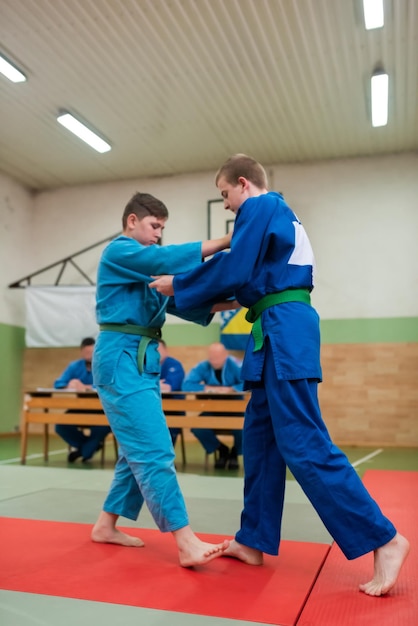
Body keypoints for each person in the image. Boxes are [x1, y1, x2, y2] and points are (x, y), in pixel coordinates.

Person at [149, 154, 409, 594]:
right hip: (270, 331)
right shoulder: (271, 224)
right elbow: (240, 288)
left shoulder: (263, 206)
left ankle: (383, 539)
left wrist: (179, 284)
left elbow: (234, 270)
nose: (227, 205)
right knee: (261, 440)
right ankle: (254, 538)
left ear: (244, 184)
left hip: (286, 329)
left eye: (225, 195)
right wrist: (176, 299)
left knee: (302, 441)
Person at [91, 191, 234, 567]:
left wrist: (239, 301)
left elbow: (185, 301)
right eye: (155, 226)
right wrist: (225, 241)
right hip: (121, 357)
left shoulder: (147, 274)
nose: (158, 234)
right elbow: (163, 258)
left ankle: (105, 525)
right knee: (155, 450)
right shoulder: (119, 251)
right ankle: (185, 541)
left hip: (141, 360)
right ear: (132, 221)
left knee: (134, 451)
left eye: (162, 228)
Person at [182, 342, 244, 470]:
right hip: (213, 408)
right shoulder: (203, 366)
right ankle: (221, 449)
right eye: (212, 358)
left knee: (243, 428)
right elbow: (186, 384)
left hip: (236, 409)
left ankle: (234, 454)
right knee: (198, 427)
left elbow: (249, 382)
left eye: (218, 358)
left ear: (225, 355)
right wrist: (206, 388)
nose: (214, 362)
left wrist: (231, 389)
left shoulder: (236, 364)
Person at [53, 337, 111, 463]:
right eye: (86, 353)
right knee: (61, 425)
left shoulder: (104, 366)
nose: (89, 356)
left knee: (101, 428)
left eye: (91, 352)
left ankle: (82, 451)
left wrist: (86, 387)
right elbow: (58, 383)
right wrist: (70, 385)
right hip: (81, 407)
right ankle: (87, 447)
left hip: (102, 409)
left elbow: (108, 385)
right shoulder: (74, 366)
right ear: (81, 352)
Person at [157, 338, 185, 447]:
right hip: (154, 408)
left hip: (173, 410)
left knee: (170, 428)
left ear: (166, 350)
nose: (156, 353)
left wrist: (152, 384)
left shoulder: (174, 365)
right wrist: (158, 383)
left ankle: (167, 461)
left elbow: (170, 387)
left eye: (158, 349)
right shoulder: (146, 366)